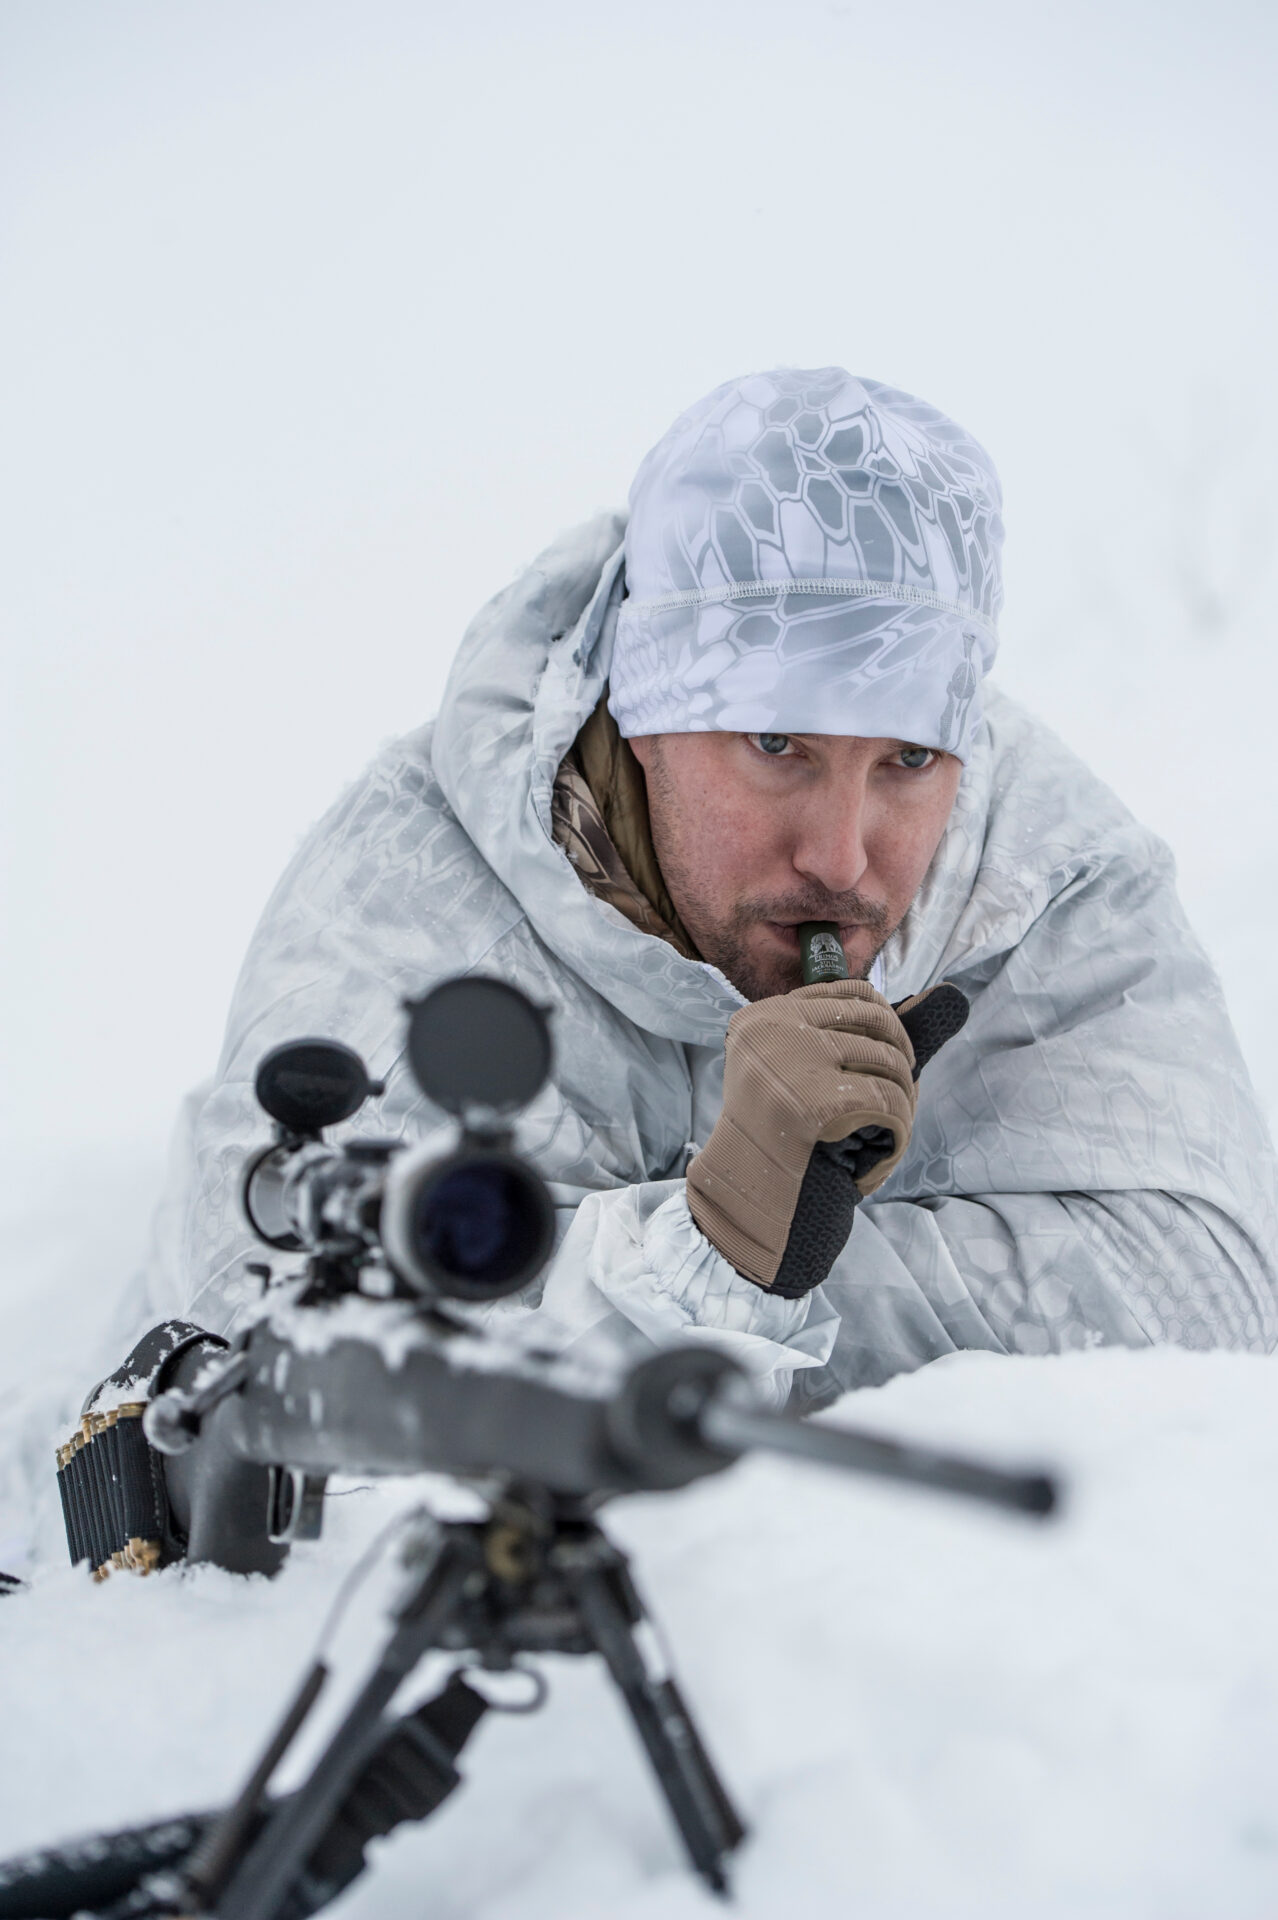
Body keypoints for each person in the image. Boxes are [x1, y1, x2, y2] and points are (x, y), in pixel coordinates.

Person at [127, 367, 1278, 1411]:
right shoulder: (415, 896)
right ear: (644, 715)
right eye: (777, 742)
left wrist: (751, 1297)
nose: (842, 854)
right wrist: (714, 1255)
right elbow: (288, 1395)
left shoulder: (1044, 873)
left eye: (908, 761)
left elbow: (1205, 1308)